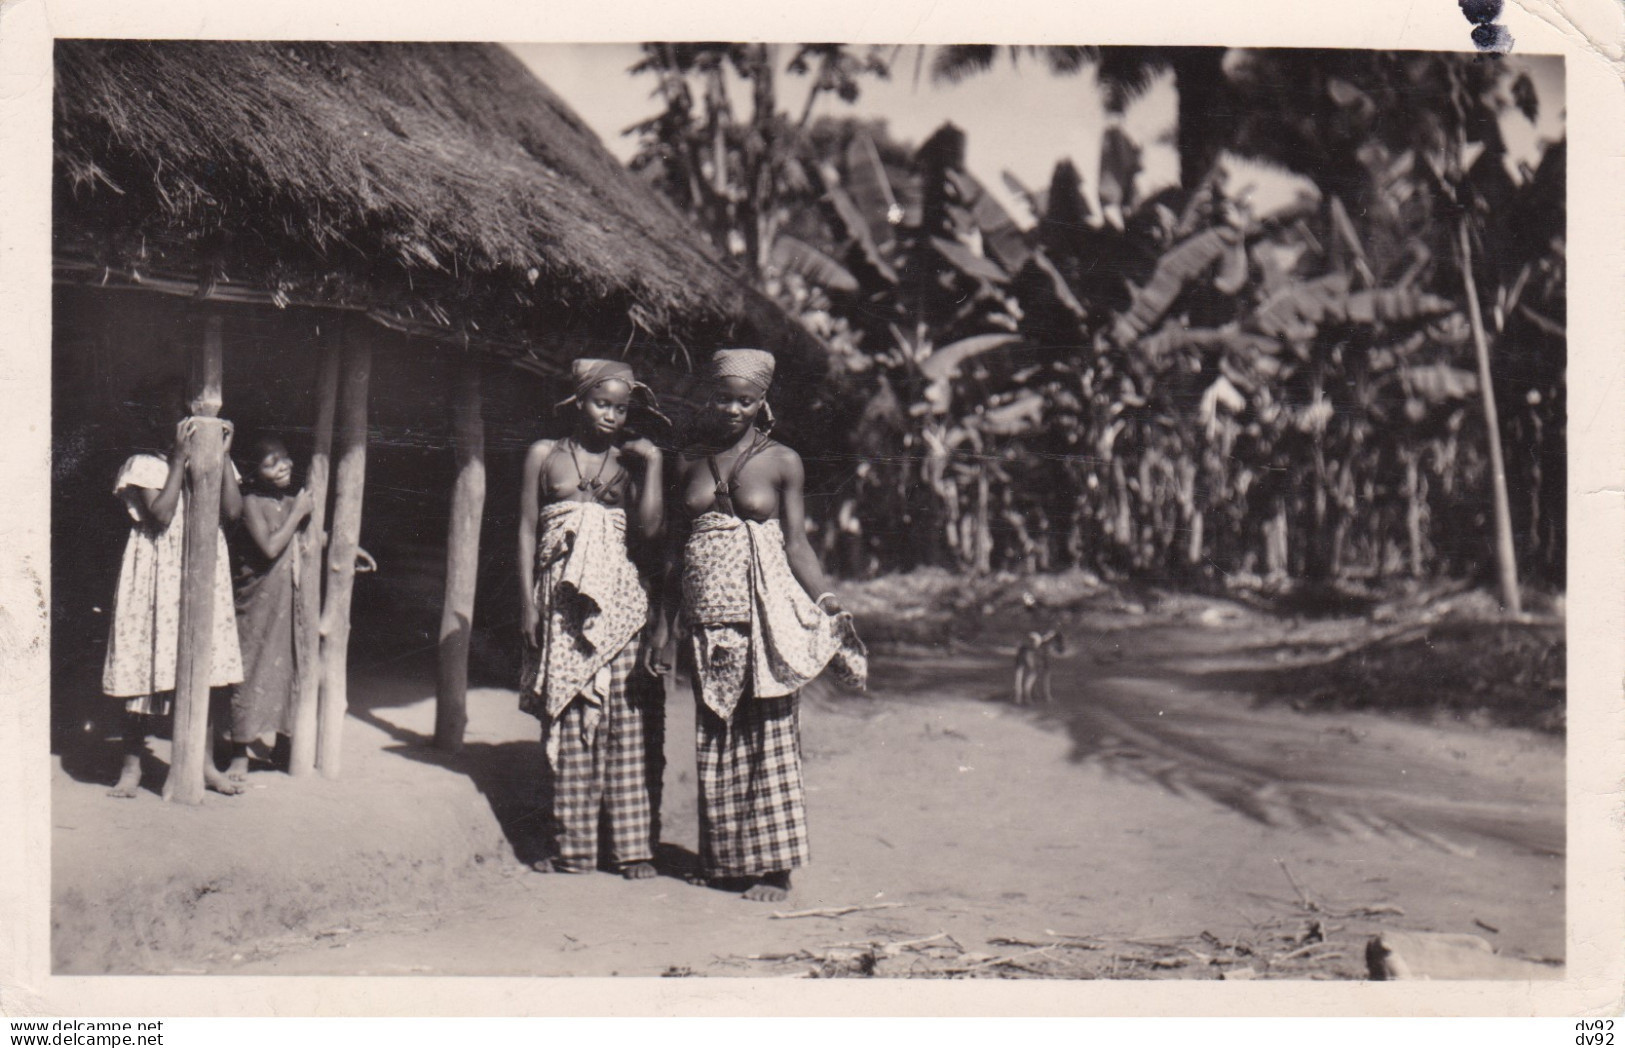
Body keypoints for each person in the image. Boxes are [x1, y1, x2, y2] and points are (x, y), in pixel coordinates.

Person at [651, 348, 866, 903]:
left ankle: (774, 869)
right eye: (723, 397)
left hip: (764, 617)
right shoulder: (689, 462)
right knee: (716, 734)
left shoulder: (783, 462)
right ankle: (723, 860)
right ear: (709, 395)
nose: (731, 409)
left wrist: (827, 599)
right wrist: (663, 627)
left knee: (769, 735)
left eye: (744, 400)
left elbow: (796, 544)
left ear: (761, 401)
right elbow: (675, 552)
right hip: (706, 621)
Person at [518, 358, 667, 880]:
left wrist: (654, 466)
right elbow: (524, 529)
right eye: (601, 404)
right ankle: (574, 850)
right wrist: (527, 603)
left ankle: (633, 851)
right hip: (559, 602)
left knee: (625, 722)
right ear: (577, 400)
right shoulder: (545, 455)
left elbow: (649, 532)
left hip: (620, 603)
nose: (610, 416)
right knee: (572, 716)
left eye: (621, 409)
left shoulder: (629, 463)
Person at [103, 391, 245, 798]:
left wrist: (222, 455)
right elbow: (162, 514)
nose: (186, 426)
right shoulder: (144, 464)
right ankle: (131, 768)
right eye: (176, 418)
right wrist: (180, 461)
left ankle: (205, 765)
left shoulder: (212, 459)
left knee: (208, 667)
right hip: (155, 572)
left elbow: (232, 513)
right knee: (145, 666)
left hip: (202, 570)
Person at [224, 436, 313, 781]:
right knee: (250, 669)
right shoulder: (250, 503)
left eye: (285, 458)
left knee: (287, 668)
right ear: (253, 471)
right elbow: (270, 547)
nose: (283, 466)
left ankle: (282, 748)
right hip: (257, 602)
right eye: (271, 462)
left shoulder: (292, 500)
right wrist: (300, 512)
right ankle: (239, 755)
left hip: (287, 599)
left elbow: (306, 539)